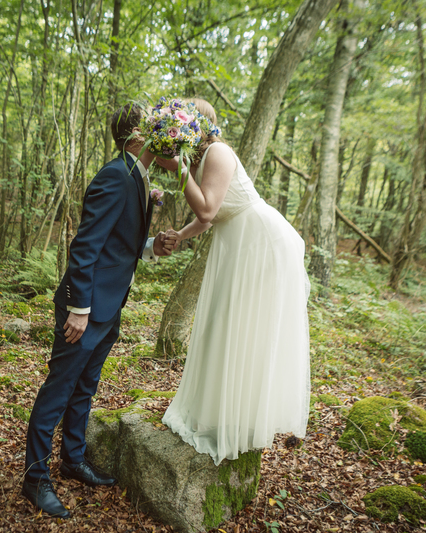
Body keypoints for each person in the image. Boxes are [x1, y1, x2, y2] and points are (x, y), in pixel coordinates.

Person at [22, 103, 175, 518]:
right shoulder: (114, 175)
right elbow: (85, 247)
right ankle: (34, 478)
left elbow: (117, 245)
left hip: (109, 309)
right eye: (153, 124)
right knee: (57, 393)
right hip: (85, 311)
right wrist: (78, 308)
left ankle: (72, 459)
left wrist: (151, 247)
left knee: (85, 389)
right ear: (137, 135)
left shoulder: (139, 178)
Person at [158, 98, 311, 466]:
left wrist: (178, 169)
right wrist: (179, 235)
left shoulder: (218, 152)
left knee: (241, 328)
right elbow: (209, 219)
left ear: (197, 126)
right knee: (224, 327)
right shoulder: (200, 160)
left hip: (261, 245)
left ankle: (238, 422)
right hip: (241, 246)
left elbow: (208, 208)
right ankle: (219, 414)